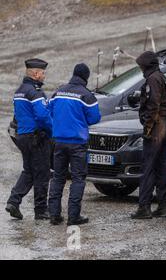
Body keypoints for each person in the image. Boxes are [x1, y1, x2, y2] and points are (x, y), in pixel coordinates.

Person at [48, 63, 101, 226]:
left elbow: (49, 110)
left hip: (59, 141)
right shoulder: (86, 95)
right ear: (86, 77)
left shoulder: (58, 91)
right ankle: (73, 216)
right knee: (78, 179)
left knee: (58, 177)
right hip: (77, 143)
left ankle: (54, 215)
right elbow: (95, 118)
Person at [6, 59, 53, 220]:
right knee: (42, 173)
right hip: (37, 137)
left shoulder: (19, 91)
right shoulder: (35, 92)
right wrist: (52, 131)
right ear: (35, 73)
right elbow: (42, 116)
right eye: (43, 73)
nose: (44, 76)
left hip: (23, 136)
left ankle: (13, 201)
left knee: (29, 171)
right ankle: (41, 211)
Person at [131, 51, 166, 220]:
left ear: (146, 65)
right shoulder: (164, 78)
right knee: (161, 168)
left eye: (141, 66)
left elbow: (153, 104)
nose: (140, 70)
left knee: (147, 168)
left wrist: (148, 128)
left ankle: (144, 208)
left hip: (157, 127)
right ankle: (163, 207)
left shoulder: (153, 79)